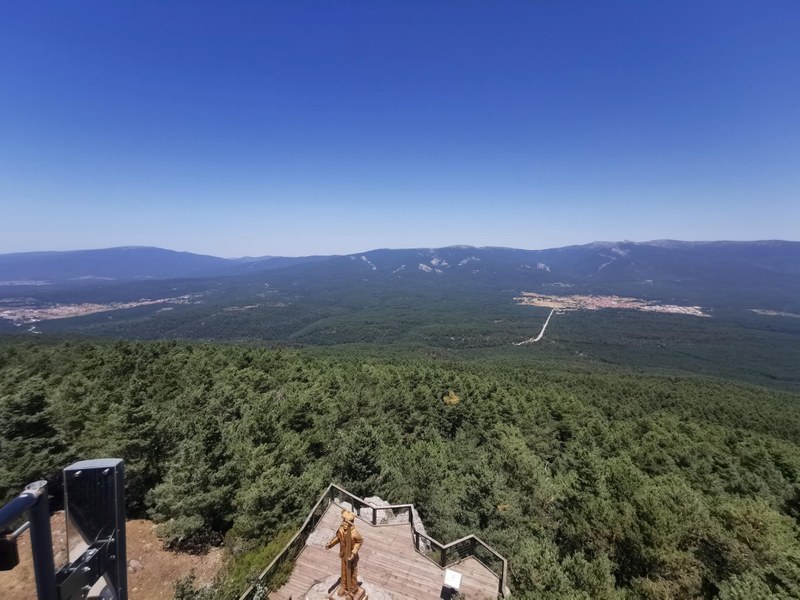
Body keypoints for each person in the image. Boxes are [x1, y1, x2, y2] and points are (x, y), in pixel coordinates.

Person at [326, 509, 364, 596]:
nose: (344, 524)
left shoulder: (354, 532)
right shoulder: (341, 529)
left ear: (351, 523)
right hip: (343, 554)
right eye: (343, 521)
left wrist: (354, 553)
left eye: (346, 522)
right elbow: (338, 538)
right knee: (343, 571)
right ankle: (343, 586)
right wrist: (330, 544)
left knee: (352, 573)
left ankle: (353, 589)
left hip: (351, 556)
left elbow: (360, 541)